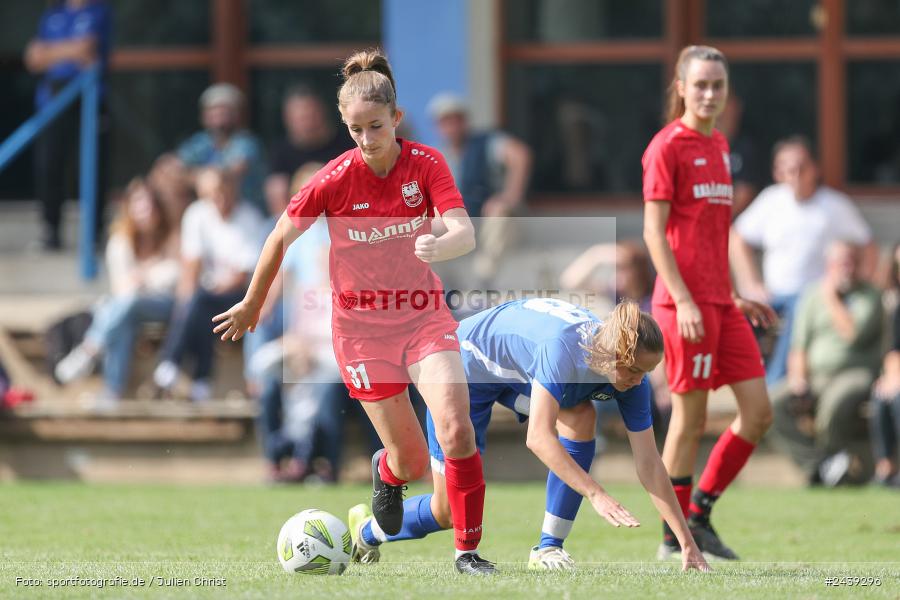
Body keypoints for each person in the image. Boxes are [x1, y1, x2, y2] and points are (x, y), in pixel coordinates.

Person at [212, 50, 494, 575]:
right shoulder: (335, 178)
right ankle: (386, 472)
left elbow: (463, 230)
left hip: (422, 316)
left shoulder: (426, 164)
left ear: (397, 119)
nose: (367, 140)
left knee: (456, 430)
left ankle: (468, 552)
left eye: (376, 126)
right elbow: (280, 235)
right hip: (362, 334)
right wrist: (253, 303)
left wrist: (443, 245)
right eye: (356, 130)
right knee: (409, 461)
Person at [346, 298, 709, 572]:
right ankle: (367, 532)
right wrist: (596, 494)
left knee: (581, 415)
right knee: (447, 513)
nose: (640, 381)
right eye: (634, 370)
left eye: (648, 372)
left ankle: (548, 547)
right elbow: (537, 437)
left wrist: (686, 542)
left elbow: (649, 462)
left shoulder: (630, 379)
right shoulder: (563, 350)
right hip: (466, 363)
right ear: (615, 355)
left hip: (515, 371)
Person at [642, 45, 776, 561]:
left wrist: (733, 294)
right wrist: (685, 299)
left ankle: (698, 514)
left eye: (718, 85)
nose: (709, 93)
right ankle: (672, 540)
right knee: (690, 419)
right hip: (683, 309)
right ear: (680, 87)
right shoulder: (666, 147)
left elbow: (709, 235)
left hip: (720, 302)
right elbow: (655, 235)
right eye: (700, 84)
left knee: (758, 413)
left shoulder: (720, 143)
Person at [730, 136, 876, 384]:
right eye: (787, 167)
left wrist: (859, 285)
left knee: (800, 312)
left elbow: (868, 246)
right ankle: (740, 384)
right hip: (772, 296)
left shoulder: (834, 204)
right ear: (777, 172)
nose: (794, 173)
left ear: (814, 169)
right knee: (733, 317)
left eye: (800, 166)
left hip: (814, 296)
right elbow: (736, 238)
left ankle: (774, 386)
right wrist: (751, 283)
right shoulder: (771, 200)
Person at [54, 178, 179, 407]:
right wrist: (149, 278)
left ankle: (88, 351)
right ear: (130, 209)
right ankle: (112, 393)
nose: (145, 212)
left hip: (167, 306)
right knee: (123, 315)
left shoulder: (172, 236)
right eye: (139, 206)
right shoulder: (120, 241)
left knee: (121, 306)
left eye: (150, 205)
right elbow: (122, 287)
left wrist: (144, 278)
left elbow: (176, 277)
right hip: (130, 307)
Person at [770, 241, 884, 486]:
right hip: (816, 376)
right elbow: (799, 345)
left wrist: (832, 298)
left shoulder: (869, 295)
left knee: (834, 403)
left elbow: (852, 333)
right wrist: (798, 379)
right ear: (829, 265)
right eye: (842, 263)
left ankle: (829, 467)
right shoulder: (811, 296)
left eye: (853, 262)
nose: (848, 268)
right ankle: (819, 466)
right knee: (770, 404)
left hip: (856, 373)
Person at [153, 167, 263, 402]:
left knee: (200, 304)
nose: (220, 199)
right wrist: (185, 304)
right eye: (213, 194)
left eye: (223, 192)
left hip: (239, 296)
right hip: (205, 296)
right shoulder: (196, 214)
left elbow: (243, 276)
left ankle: (169, 365)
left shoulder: (250, 218)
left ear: (234, 191)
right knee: (197, 308)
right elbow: (191, 266)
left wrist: (198, 297)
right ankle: (201, 382)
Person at [24, 0, 112, 250]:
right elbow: (32, 58)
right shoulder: (52, 14)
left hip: (89, 99)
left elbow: (88, 50)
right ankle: (51, 232)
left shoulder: (99, 11)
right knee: (49, 165)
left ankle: (95, 233)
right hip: (52, 100)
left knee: (92, 166)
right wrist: (71, 51)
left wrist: (50, 52)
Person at [427, 92, 532, 286]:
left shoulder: (486, 142)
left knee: (500, 213)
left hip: (490, 217)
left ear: (465, 121)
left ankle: (484, 280)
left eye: (456, 120)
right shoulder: (436, 155)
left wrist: (508, 196)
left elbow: (520, 155)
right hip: (461, 221)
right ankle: (448, 288)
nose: (451, 126)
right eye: (445, 121)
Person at [173, 83, 267, 214]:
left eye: (224, 113)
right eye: (213, 113)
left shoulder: (246, 143)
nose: (219, 120)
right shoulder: (201, 142)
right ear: (204, 117)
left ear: (236, 115)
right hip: (208, 211)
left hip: (243, 212)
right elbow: (171, 167)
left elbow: (230, 175)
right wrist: (199, 177)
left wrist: (200, 176)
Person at [265, 85, 355, 214]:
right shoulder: (281, 152)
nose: (306, 123)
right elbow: (277, 196)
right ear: (288, 119)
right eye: (300, 118)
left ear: (322, 112)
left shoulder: (348, 143)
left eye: (310, 115)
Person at [870, 242, 900, 487]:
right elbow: (893, 348)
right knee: (882, 396)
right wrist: (892, 377)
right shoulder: (893, 304)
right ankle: (885, 468)